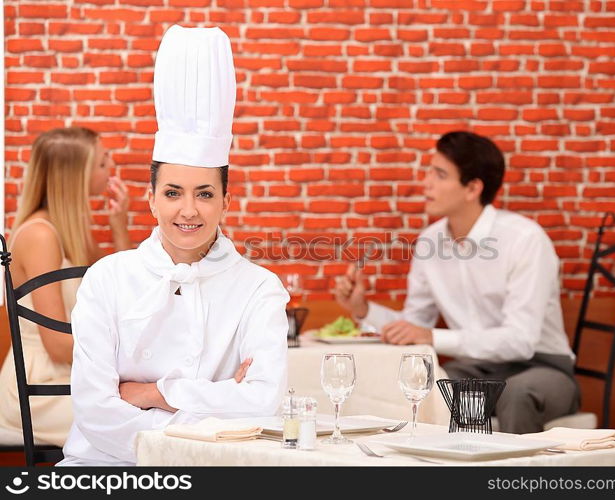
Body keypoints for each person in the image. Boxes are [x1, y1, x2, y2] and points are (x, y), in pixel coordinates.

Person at [58, 25, 289, 466]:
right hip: (103, 465)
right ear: (150, 199)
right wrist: (215, 407)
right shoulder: (107, 278)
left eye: (204, 193)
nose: (188, 210)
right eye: (172, 193)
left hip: (219, 472)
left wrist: (154, 394)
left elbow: (264, 403)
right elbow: (95, 411)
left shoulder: (259, 288)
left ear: (226, 200)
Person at [333, 131, 579, 433]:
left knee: (515, 395)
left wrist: (432, 337)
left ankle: (515, 480)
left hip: (541, 366)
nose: (426, 183)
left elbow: (520, 341)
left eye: (440, 174)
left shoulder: (525, 239)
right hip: (475, 368)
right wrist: (362, 309)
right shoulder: (429, 242)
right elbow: (414, 325)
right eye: (429, 171)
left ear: (472, 188)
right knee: (423, 385)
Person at [0, 127, 131, 446]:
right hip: (39, 388)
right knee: (140, 423)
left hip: (70, 378)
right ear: (77, 175)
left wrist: (119, 229)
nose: (110, 168)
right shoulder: (41, 236)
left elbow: (127, 290)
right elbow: (57, 345)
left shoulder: (70, 232)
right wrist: (124, 353)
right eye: (102, 163)